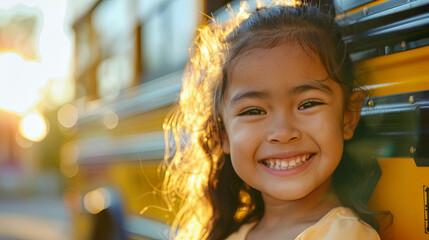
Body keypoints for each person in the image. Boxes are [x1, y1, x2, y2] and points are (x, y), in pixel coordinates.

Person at [162, 2, 388, 240]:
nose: (282, 132)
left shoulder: (343, 235)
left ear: (348, 117)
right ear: (224, 135)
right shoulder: (236, 235)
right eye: (253, 111)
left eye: (308, 104)